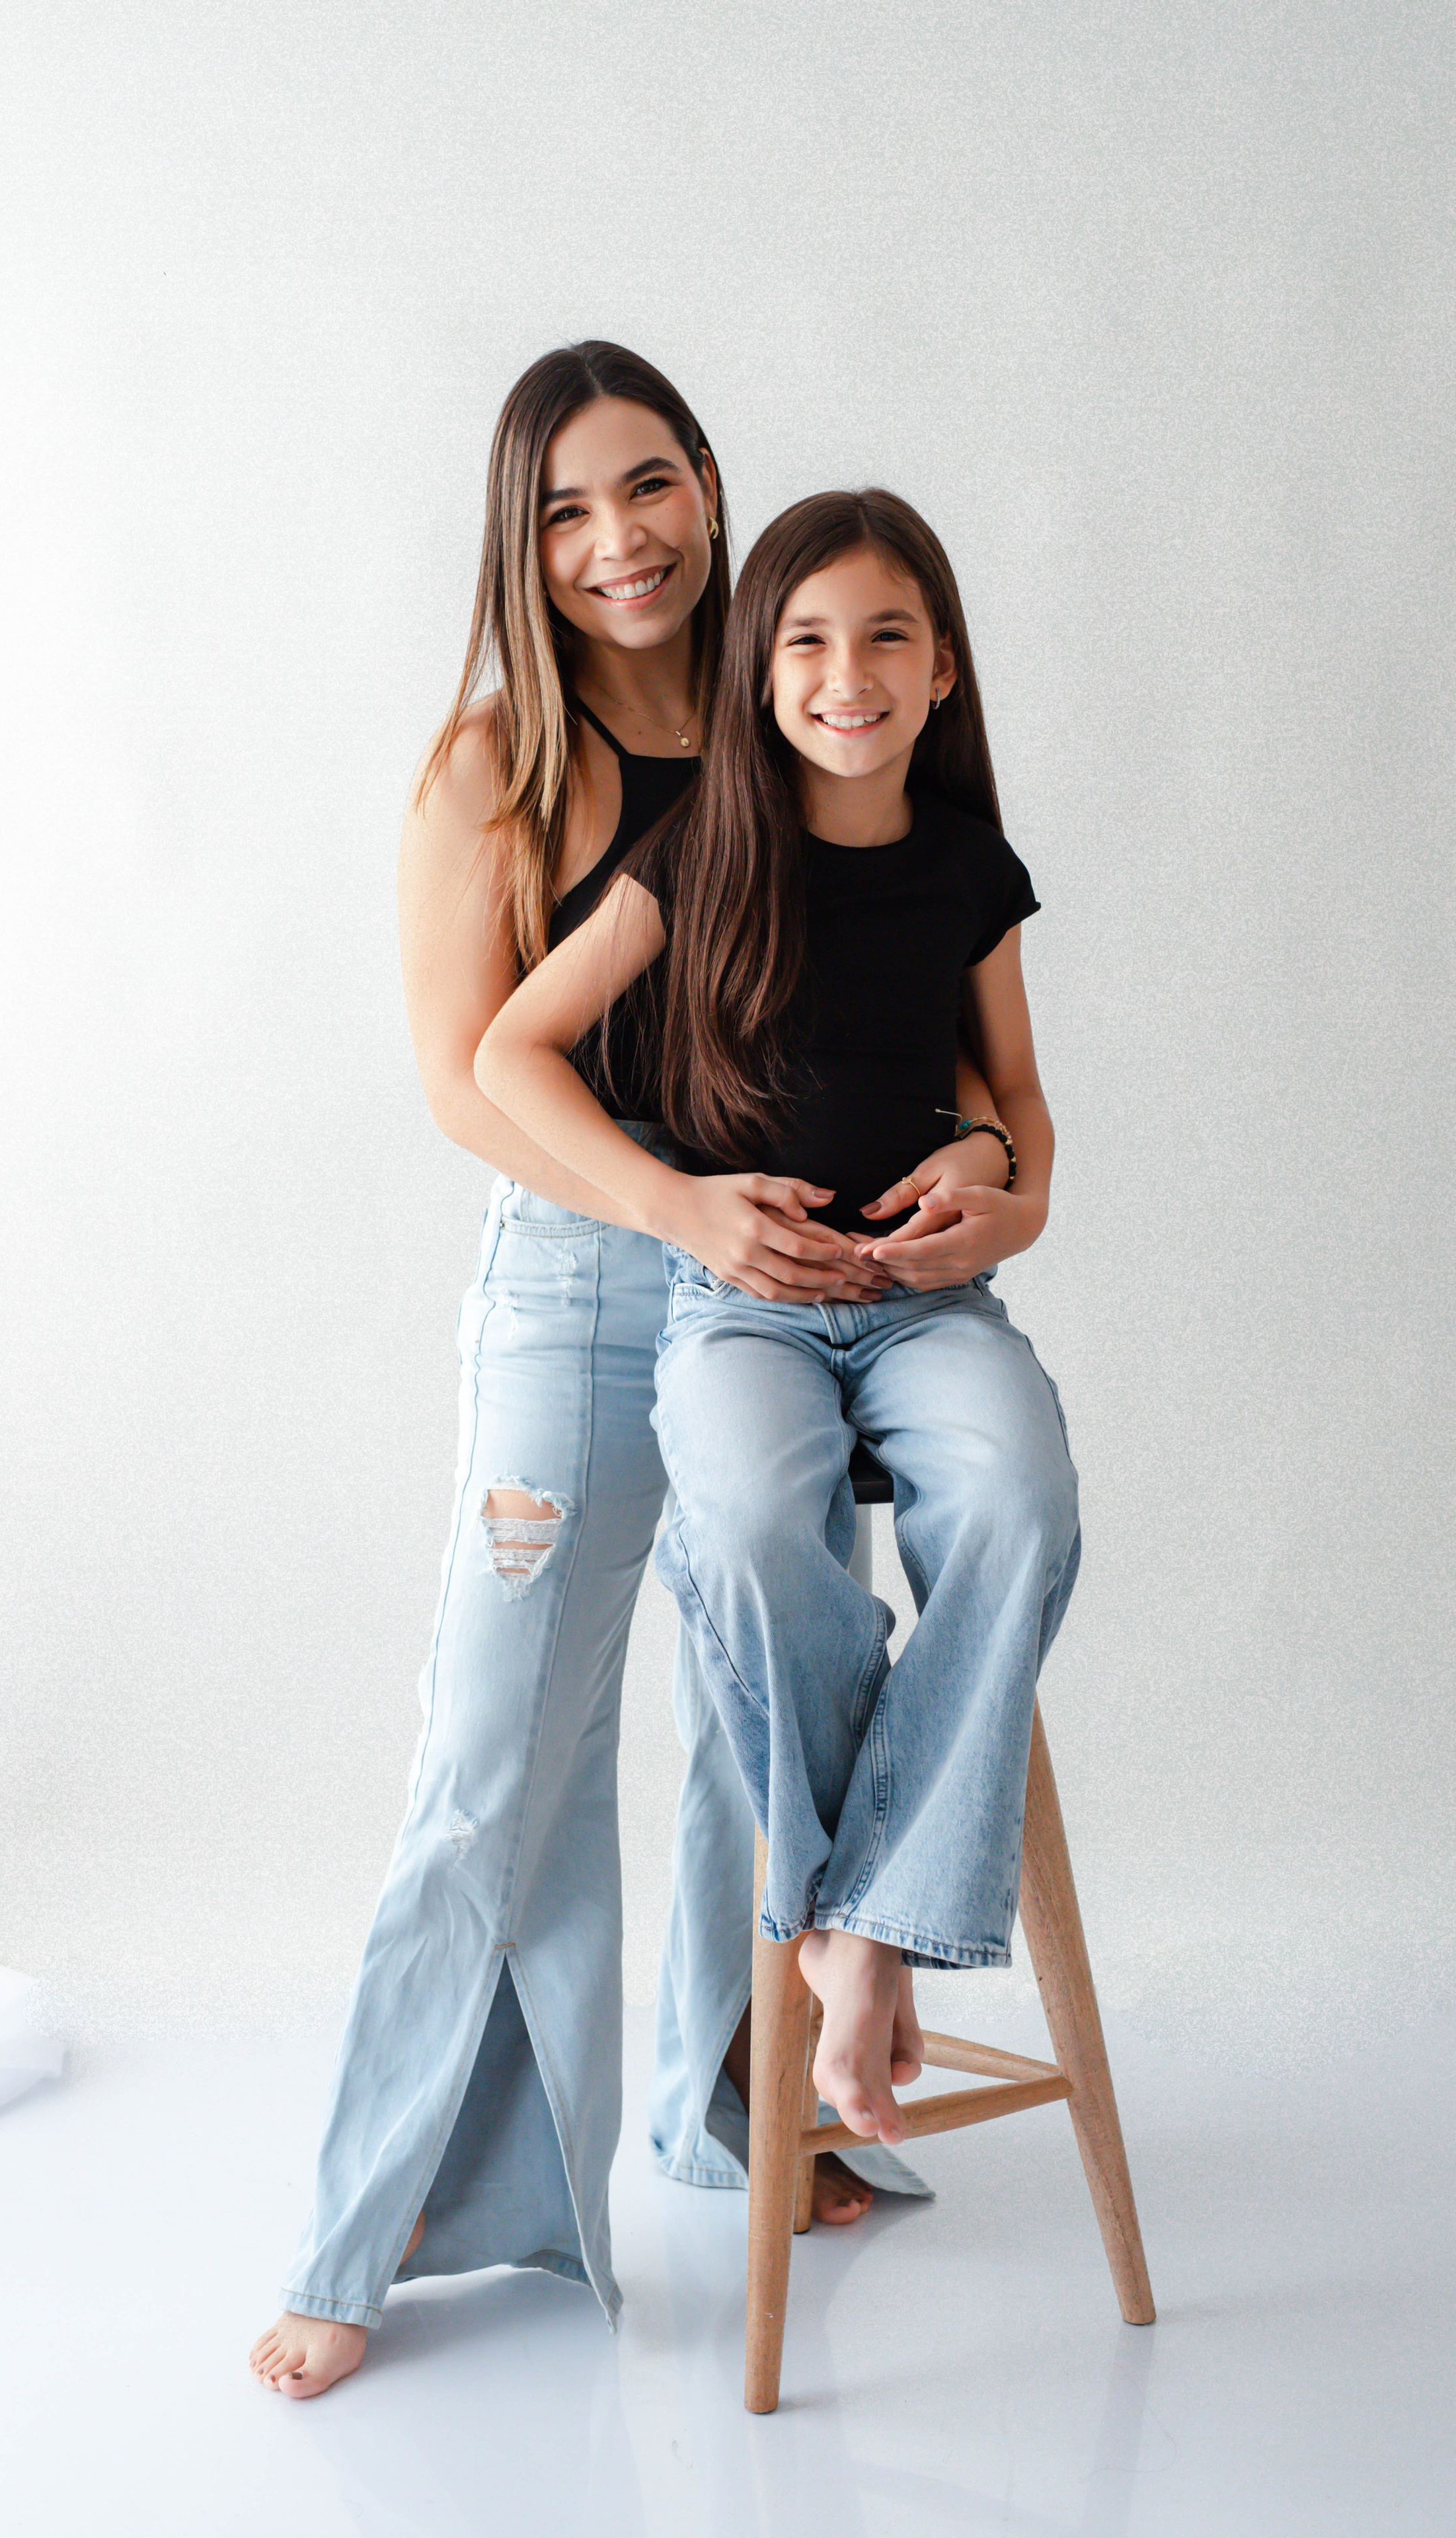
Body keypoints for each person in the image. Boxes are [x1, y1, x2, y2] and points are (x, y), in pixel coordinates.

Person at [250, 367, 1000, 2400]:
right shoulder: (495, 762)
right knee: (498, 1761)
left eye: (650, 486)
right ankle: (370, 2236)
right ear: (526, 544)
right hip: (586, 1284)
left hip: (792, 1274)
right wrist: (674, 1210)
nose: (620, 542)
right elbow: (462, 1078)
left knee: (762, 1710)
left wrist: (961, 1165)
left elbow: (902, 980)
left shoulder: (790, 700)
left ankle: (736, 2112)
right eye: (568, 513)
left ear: (710, 487)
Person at [477, 486, 1079, 2149]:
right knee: (744, 1522)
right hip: (739, 1308)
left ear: (941, 667)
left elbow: (1019, 1095)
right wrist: (676, 1208)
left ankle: (858, 1930)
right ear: (756, 671)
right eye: (804, 640)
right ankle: (863, 1915)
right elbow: (510, 1050)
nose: (845, 674)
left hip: (925, 1307)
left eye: (886, 636)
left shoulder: (967, 870)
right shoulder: (697, 855)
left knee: (1019, 1501)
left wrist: (1014, 1201)